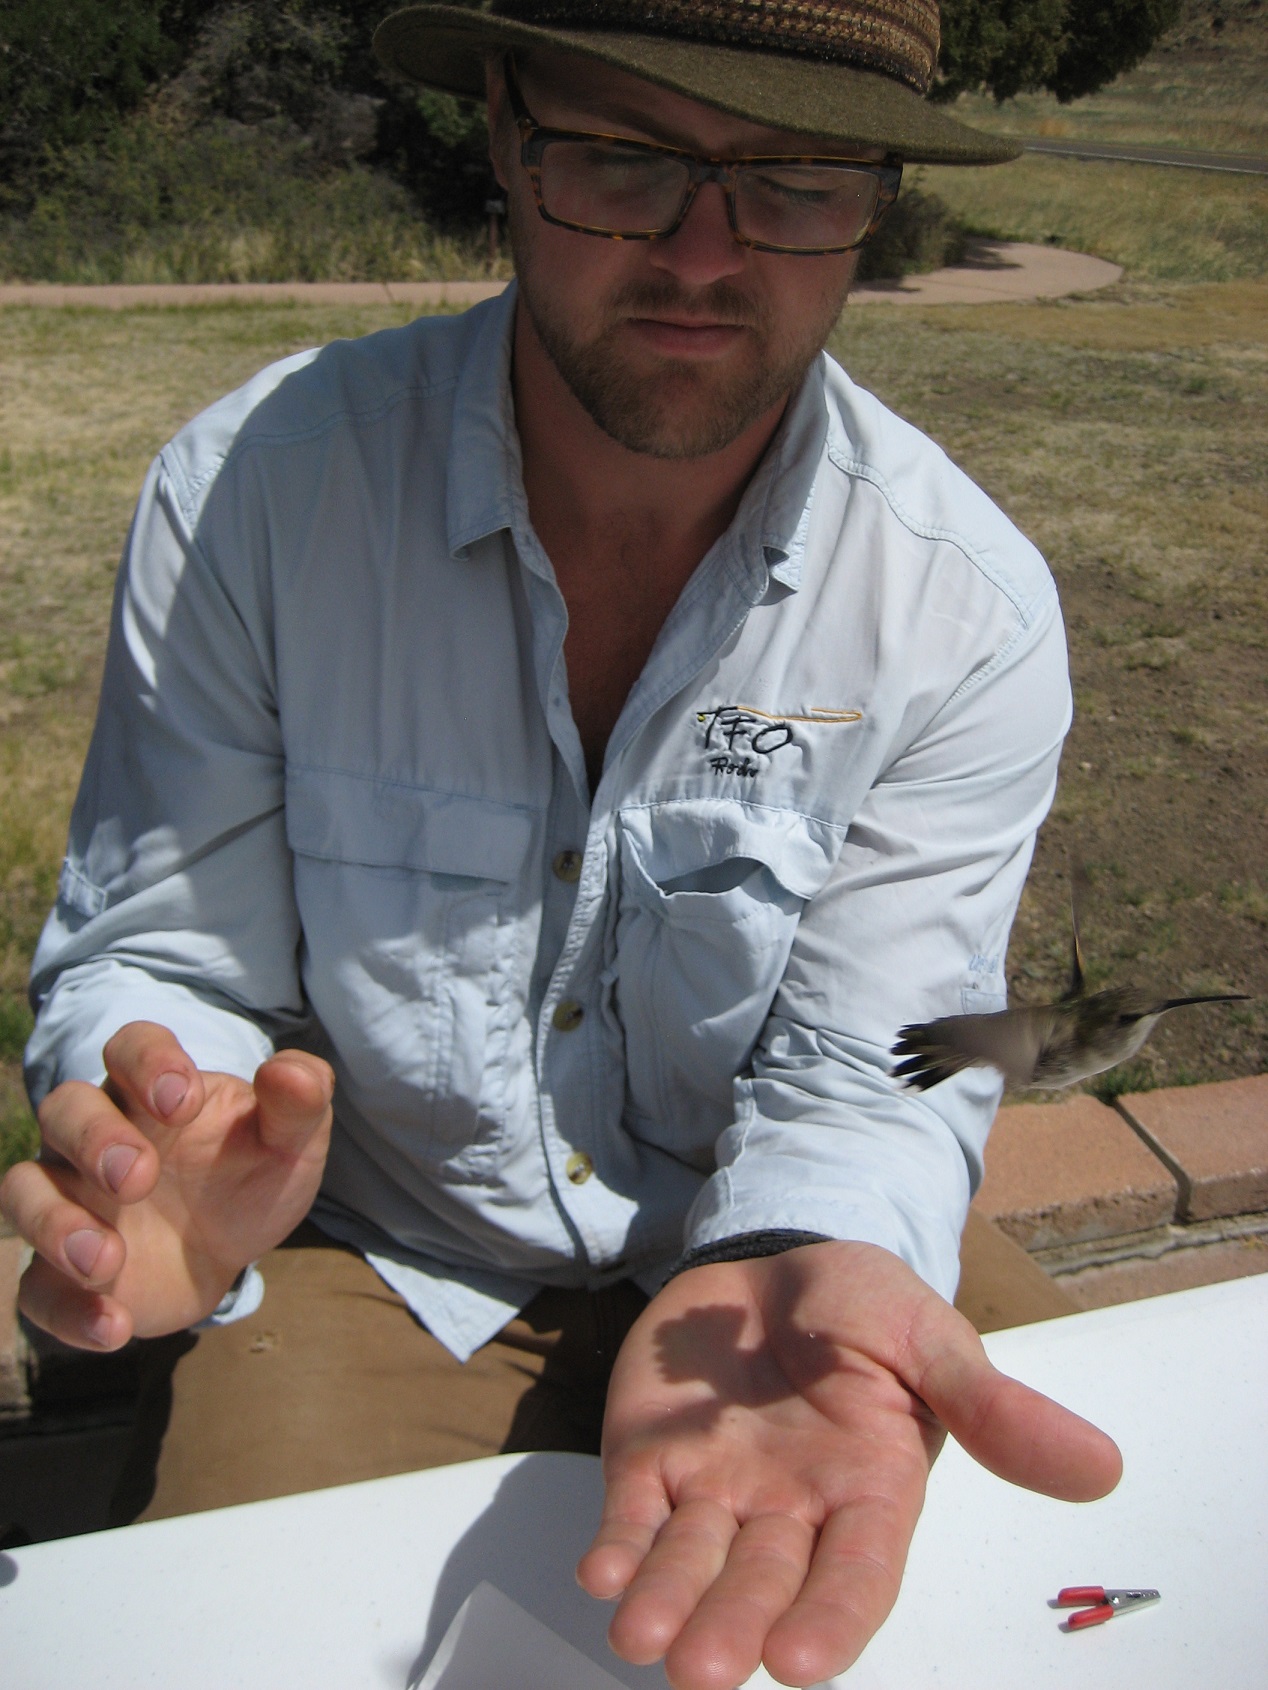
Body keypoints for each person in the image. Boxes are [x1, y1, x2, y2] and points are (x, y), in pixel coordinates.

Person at [1, 3, 1121, 1685]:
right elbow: (166, 947)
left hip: (797, 1252)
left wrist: (797, 1252)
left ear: (876, 198)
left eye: (796, 181)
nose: (704, 254)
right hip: (383, 1253)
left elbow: (879, 1066)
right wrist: (168, 1127)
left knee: (1119, 1581)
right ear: (508, 138)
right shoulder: (256, 493)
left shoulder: (961, 606)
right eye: (623, 162)